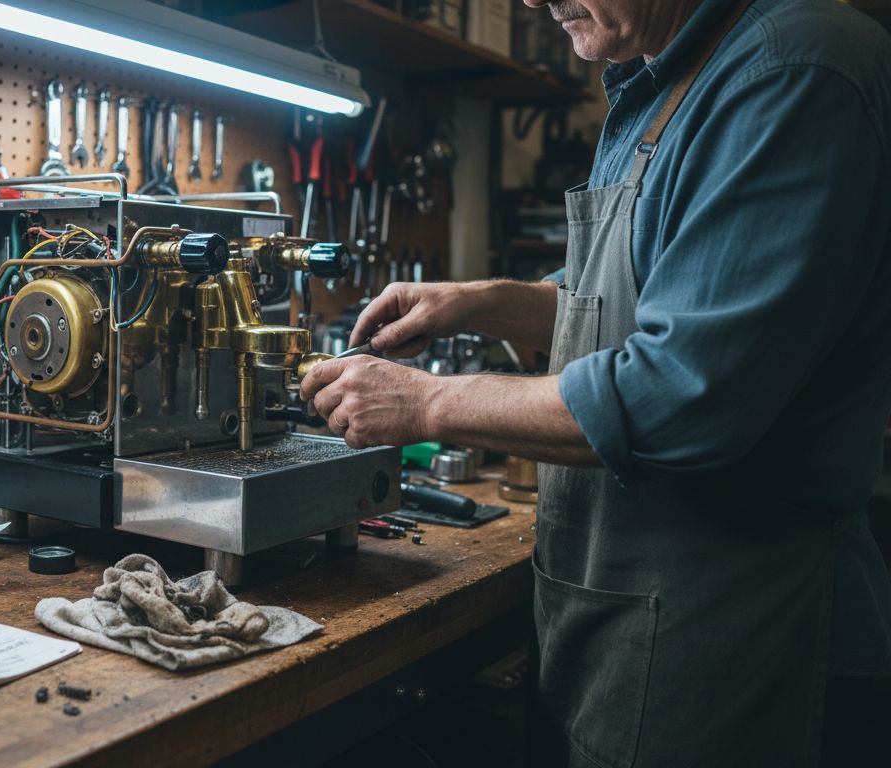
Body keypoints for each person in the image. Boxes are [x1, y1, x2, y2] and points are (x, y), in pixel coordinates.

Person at [299, 0, 891, 765]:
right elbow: (635, 300)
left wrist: (425, 401)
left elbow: (681, 394)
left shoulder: (794, 71)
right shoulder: (665, 75)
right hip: (623, 609)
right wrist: (480, 304)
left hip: (734, 638)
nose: (534, 2)